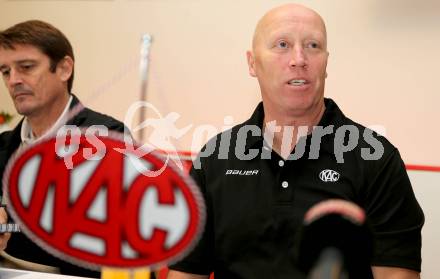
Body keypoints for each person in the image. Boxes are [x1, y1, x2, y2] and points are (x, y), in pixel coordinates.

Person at [167, 3, 424, 279]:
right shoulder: (215, 159)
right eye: (282, 44)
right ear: (252, 63)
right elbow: (186, 274)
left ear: (326, 62)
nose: (299, 59)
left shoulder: (375, 159)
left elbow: (397, 275)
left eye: (313, 45)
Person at [0, 20, 126, 277]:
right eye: (5, 71)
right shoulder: (3, 146)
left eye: (26, 67)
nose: (13, 81)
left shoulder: (108, 137)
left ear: (64, 69)